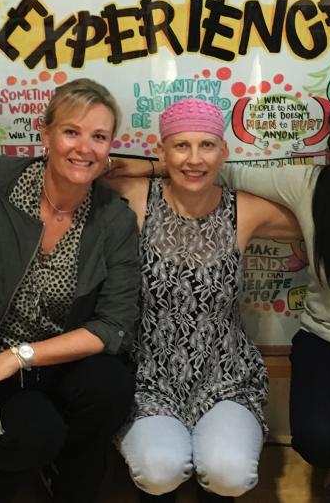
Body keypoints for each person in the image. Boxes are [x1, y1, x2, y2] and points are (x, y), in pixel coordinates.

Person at [111, 85, 330, 503]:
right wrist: (145, 167)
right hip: (325, 337)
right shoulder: (311, 189)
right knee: (319, 439)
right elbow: (217, 171)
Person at [0, 78, 139, 503]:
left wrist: (20, 356)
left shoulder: (113, 217)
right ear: (45, 135)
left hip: (58, 358)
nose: (84, 148)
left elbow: (115, 326)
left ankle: (70, 482)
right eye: (71, 132)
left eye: (98, 137)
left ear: (109, 148)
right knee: (36, 434)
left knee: (111, 386)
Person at [105, 99, 302, 502]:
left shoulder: (242, 210)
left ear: (223, 152)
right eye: (181, 146)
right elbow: (71, 172)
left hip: (226, 376)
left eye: (207, 146)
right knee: (159, 471)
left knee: (228, 473)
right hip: (148, 378)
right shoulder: (137, 198)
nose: (194, 158)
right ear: (161, 151)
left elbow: (315, 215)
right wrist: (153, 170)